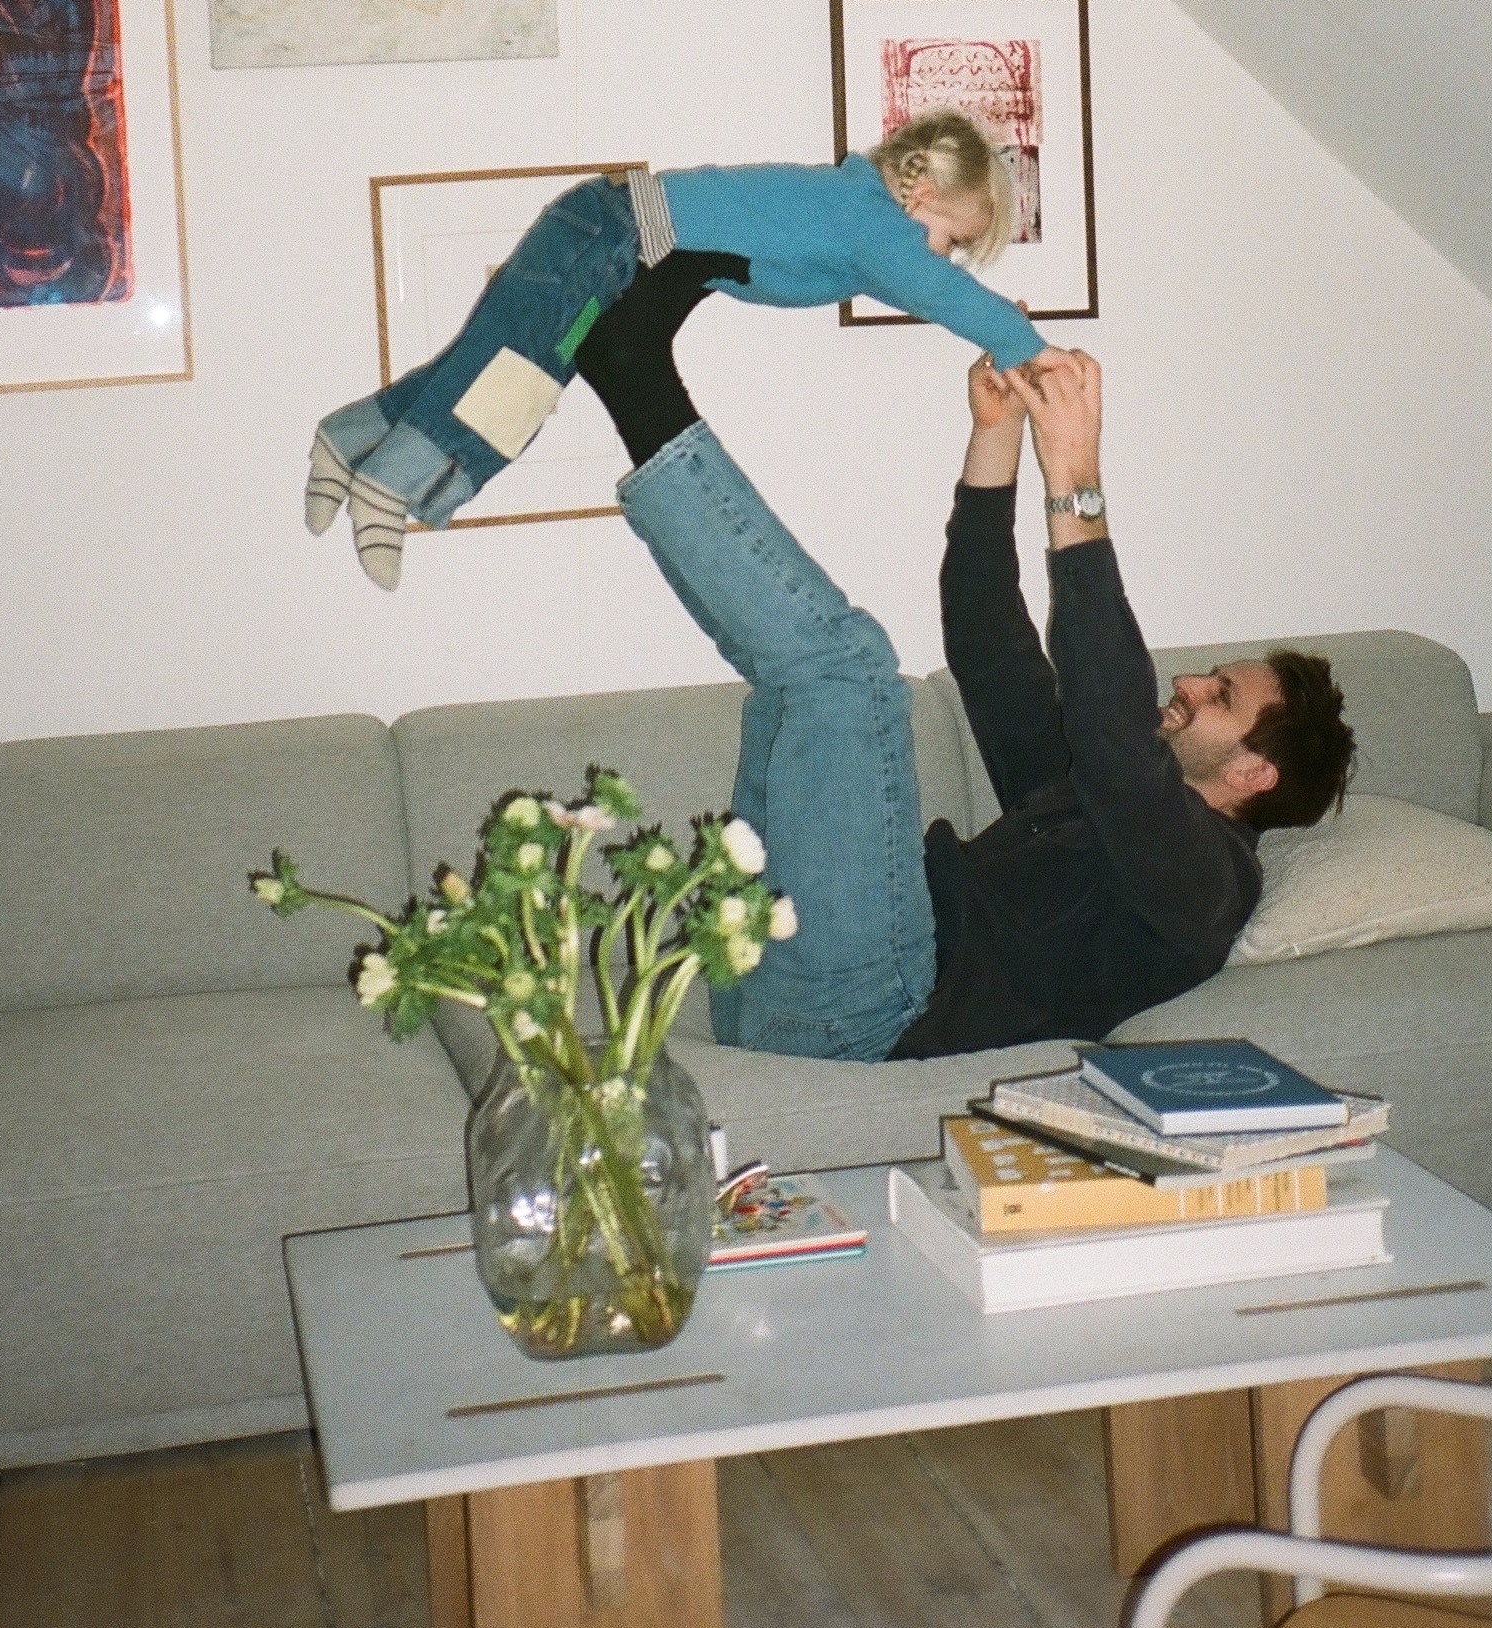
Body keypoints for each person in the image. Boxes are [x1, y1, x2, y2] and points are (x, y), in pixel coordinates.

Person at [573, 267, 1355, 1061]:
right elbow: (985, 641)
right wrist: (997, 432)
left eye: (1219, 696)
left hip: (872, 1017)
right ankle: (626, 372)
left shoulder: (1209, 883)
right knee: (789, 694)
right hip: (766, 980)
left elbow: (1119, 747)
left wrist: (1075, 478)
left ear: (1255, 773)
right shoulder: (1085, 794)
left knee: (846, 670)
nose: (1187, 684)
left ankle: (632, 372)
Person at [306, 112, 1046, 587]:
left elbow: (915, 287)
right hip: (610, 236)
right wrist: (1028, 350)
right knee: (517, 377)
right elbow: (937, 291)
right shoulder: (874, 221)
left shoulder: (857, 223)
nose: (942, 260)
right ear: (920, 201)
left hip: (603, 225)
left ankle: (349, 439)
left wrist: (994, 327)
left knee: (480, 362)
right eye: (952, 241)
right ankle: (391, 483)